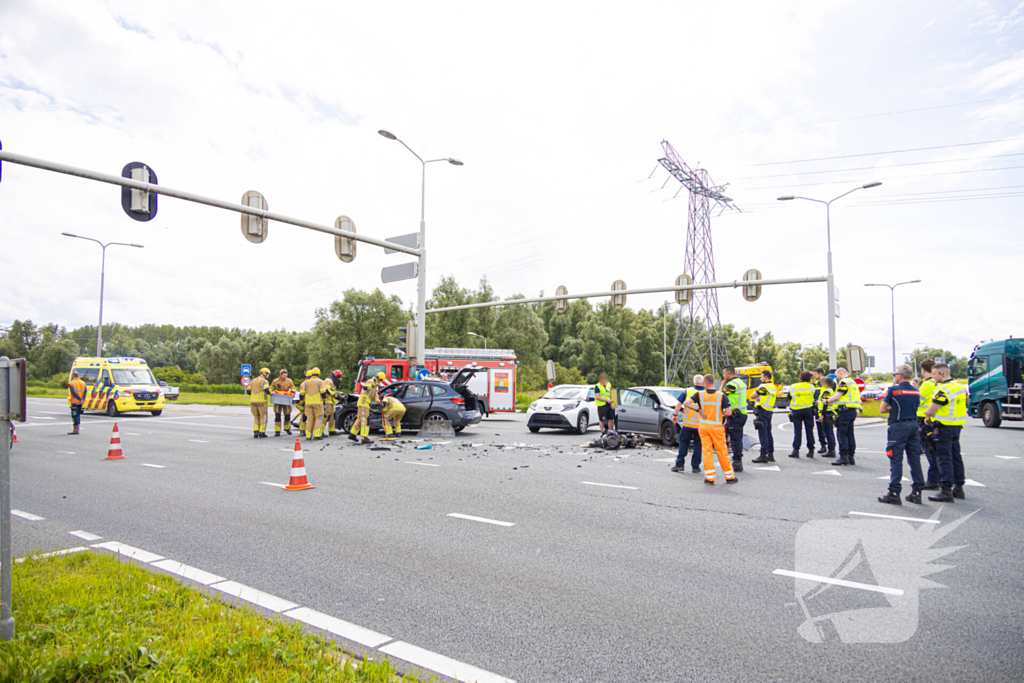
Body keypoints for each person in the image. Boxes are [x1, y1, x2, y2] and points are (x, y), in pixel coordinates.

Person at [877, 365, 925, 505]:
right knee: (914, 458)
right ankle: (917, 491)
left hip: (898, 426)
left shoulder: (894, 390)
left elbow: (882, 409)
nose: (894, 377)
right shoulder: (916, 391)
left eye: (895, 374)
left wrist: (891, 408)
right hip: (914, 425)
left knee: (896, 459)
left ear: (900, 375)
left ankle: (894, 492)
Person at [924, 363, 968, 502]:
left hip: (943, 428)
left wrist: (927, 415)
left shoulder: (943, 390)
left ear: (942, 374)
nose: (933, 376)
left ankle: (946, 490)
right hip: (956, 426)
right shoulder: (960, 388)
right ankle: (959, 488)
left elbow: (931, 409)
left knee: (944, 458)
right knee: (956, 457)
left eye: (935, 374)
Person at [683, 374, 735, 485]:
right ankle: (729, 477)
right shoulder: (721, 396)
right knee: (721, 451)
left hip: (704, 426)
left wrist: (698, 410)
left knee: (707, 451)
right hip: (716, 427)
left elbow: (686, 403)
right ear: (713, 383)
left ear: (705, 383)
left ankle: (710, 477)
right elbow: (729, 412)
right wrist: (721, 413)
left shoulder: (700, 395)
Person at [671, 374, 705, 473]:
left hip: (688, 424)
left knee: (684, 444)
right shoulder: (705, 393)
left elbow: (679, 404)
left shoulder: (688, 391)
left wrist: (675, 414)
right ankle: (695, 467)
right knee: (698, 446)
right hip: (701, 424)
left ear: (694, 382)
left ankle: (680, 465)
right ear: (702, 382)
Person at [828, 368, 862, 466]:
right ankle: (851, 457)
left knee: (842, 434)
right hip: (852, 411)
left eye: (837, 376)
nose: (837, 378)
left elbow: (837, 396)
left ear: (841, 373)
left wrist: (827, 401)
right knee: (850, 434)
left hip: (845, 412)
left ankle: (843, 457)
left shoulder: (843, 382)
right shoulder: (853, 382)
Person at [917, 358, 940, 489]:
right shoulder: (938, 383)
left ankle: (933, 480)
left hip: (924, 419)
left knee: (930, 451)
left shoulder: (927, 384)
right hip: (937, 419)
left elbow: (917, 401)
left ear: (923, 370)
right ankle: (941, 478)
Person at [721, 366, 748, 473]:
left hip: (735, 415)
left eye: (724, 373)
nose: (723, 376)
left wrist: (722, 386)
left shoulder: (732, 384)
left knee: (735, 439)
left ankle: (737, 462)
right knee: (736, 437)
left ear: (729, 373)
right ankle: (735, 460)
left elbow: (721, 396)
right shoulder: (740, 382)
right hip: (740, 414)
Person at [750, 370, 777, 463]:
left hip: (762, 411)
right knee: (768, 433)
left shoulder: (764, 386)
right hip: (769, 411)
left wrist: (757, 397)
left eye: (761, 377)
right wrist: (758, 397)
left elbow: (752, 395)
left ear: (766, 377)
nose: (760, 379)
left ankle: (763, 455)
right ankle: (770, 454)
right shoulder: (772, 386)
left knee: (763, 433)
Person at [788, 371, 816, 458]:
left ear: (800, 378)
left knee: (797, 431)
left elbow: (789, 397)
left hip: (797, 411)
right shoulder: (811, 387)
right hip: (808, 410)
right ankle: (811, 450)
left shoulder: (793, 386)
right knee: (809, 431)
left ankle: (796, 450)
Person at [350, 371, 383, 443]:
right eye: (381, 380)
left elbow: (375, 397)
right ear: (378, 378)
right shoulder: (371, 381)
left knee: (359, 419)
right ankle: (364, 437)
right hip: (363, 403)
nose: (381, 382)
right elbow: (365, 387)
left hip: (364, 404)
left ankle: (352, 434)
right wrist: (373, 385)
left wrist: (379, 402)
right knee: (365, 420)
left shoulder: (375, 386)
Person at [299, 367, 325, 440]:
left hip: (308, 404)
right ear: (319, 374)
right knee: (318, 418)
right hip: (318, 403)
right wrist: (325, 401)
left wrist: (302, 403)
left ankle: (308, 435)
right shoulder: (321, 382)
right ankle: (317, 435)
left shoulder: (306, 383)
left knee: (310, 419)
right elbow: (323, 393)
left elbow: (301, 394)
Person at [816, 376, 837, 458]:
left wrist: (822, 415)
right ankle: (831, 449)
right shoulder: (830, 390)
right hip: (828, 413)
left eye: (823, 382)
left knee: (828, 433)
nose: (822, 384)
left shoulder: (827, 391)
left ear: (827, 383)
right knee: (829, 432)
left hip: (827, 413)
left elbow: (825, 404)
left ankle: (831, 450)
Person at [247, 367, 272, 438]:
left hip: (253, 402)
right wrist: (271, 393)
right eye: (268, 374)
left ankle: (255, 431)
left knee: (256, 416)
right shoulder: (264, 381)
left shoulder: (253, 381)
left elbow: (248, 391)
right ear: (264, 373)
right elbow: (266, 390)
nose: (268, 376)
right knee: (263, 417)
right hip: (262, 402)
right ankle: (262, 432)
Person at [270, 369, 295, 437]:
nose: (285, 376)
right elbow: (271, 389)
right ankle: (277, 431)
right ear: (281, 375)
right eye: (283, 375)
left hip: (286, 400)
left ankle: (287, 428)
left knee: (287, 415)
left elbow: (293, 388)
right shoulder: (275, 381)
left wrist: (293, 391)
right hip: (278, 400)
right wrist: (272, 392)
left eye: (286, 375)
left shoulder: (289, 381)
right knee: (277, 415)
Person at [811, 368, 829, 454]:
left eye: (815, 374)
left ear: (820, 374)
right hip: (817, 409)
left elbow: (829, 394)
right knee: (819, 427)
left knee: (827, 429)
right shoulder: (816, 384)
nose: (814, 376)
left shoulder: (827, 382)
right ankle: (823, 445)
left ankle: (830, 447)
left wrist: (821, 400)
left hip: (826, 408)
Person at [321, 370, 343, 437]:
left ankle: (331, 430)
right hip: (327, 400)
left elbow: (332, 390)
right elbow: (327, 390)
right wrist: (336, 395)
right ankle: (320, 431)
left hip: (330, 401)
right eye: (338, 377)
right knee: (326, 415)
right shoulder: (329, 380)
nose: (338, 379)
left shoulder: (332, 381)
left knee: (333, 415)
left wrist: (339, 393)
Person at [67, 370, 86, 436]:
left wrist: (79, 398)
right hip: (81, 402)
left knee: (74, 415)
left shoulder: (71, 383)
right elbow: (85, 391)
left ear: (73, 376)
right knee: (78, 415)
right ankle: (77, 428)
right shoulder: (83, 382)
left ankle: (75, 430)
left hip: (75, 402)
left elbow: (73, 392)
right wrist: (82, 399)